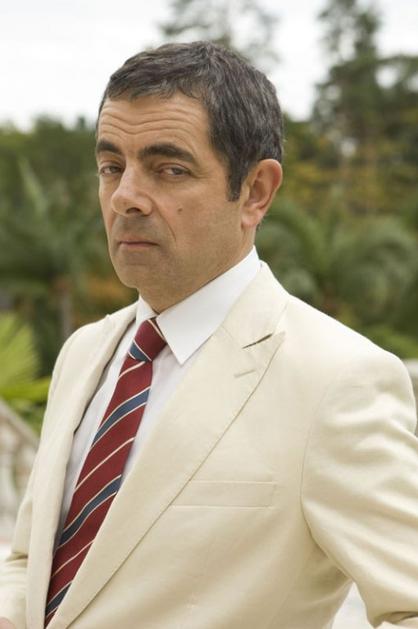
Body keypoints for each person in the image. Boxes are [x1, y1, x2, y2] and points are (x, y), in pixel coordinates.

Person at [0, 41, 417, 629]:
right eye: (112, 166)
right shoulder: (85, 353)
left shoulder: (338, 379)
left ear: (256, 192)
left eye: (169, 170)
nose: (125, 197)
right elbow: (30, 564)